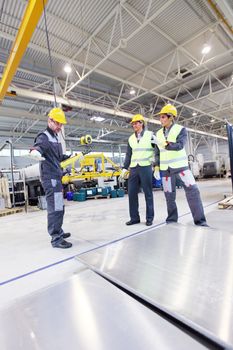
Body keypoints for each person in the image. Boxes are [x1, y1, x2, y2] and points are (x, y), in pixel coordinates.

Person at [154, 104, 208, 227]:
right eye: (160, 117)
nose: (161, 119)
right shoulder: (157, 133)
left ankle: (200, 221)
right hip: (165, 170)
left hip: (181, 167)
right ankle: (172, 220)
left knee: (193, 192)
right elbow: (157, 153)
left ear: (171, 117)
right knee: (169, 195)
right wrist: (156, 166)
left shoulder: (180, 129)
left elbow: (179, 145)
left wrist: (165, 144)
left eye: (163, 117)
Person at [29, 107, 72, 248]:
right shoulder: (44, 137)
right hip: (50, 178)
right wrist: (34, 152)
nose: (59, 127)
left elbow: (57, 157)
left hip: (56, 177)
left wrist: (69, 157)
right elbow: (37, 148)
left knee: (59, 207)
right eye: (57, 123)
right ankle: (56, 239)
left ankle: (58, 231)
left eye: (61, 124)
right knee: (55, 208)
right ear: (50, 121)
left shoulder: (55, 137)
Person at [120, 114, 156, 226]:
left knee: (148, 193)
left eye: (136, 123)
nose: (134, 125)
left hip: (145, 167)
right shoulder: (131, 138)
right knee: (131, 193)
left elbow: (158, 150)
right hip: (134, 168)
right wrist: (125, 168)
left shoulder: (150, 135)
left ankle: (149, 218)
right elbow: (128, 154)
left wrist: (157, 165)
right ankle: (134, 218)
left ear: (142, 123)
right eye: (133, 124)